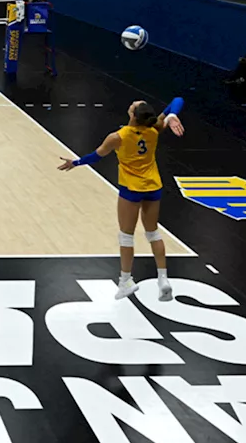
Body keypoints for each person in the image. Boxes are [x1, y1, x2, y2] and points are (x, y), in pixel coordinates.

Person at [56, 97, 186, 301]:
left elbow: (96, 156)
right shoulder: (154, 129)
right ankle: (163, 279)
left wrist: (76, 162)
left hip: (131, 188)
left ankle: (125, 281)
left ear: (133, 115)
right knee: (153, 233)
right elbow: (177, 100)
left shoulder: (118, 137)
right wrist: (171, 116)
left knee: (126, 235)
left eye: (133, 105)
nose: (132, 103)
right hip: (153, 186)